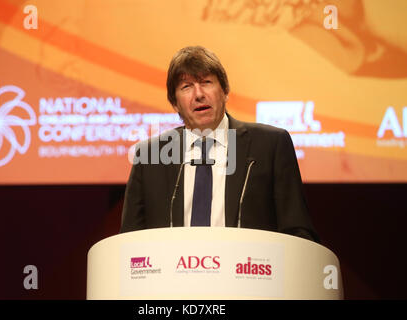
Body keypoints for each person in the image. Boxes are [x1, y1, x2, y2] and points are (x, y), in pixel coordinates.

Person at [120, 45, 319, 243]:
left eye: (206, 82)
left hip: (248, 271)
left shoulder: (270, 146)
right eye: (186, 87)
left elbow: (298, 233)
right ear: (174, 103)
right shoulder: (149, 157)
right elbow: (129, 241)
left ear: (224, 91)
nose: (198, 94)